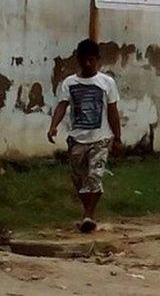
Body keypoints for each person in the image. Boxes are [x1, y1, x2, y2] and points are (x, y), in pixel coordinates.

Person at [47, 39, 123, 233]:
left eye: (91, 60)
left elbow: (113, 112)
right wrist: (53, 126)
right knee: (79, 180)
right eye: (84, 60)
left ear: (97, 60)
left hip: (101, 138)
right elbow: (62, 106)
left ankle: (88, 215)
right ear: (78, 60)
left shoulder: (107, 83)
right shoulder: (69, 83)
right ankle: (87, 210)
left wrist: (118, 138)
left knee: (94, 176)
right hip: (77, 139)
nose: (88, 64)